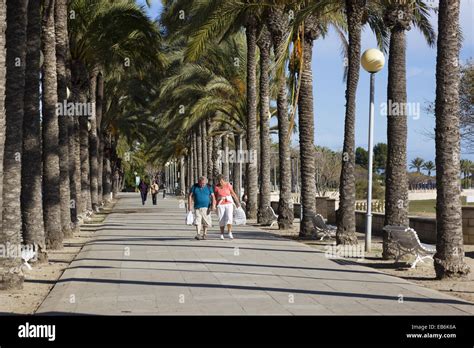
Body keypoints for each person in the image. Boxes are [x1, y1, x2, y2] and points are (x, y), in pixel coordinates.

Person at [188, 176, 216, 240]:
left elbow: (213, 196)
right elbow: (190, 195)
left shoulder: (209, 187)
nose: (202, 185)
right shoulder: (194, 186)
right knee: (198, 221)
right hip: (197, 207)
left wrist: (213, 205)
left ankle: (205, 234)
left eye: (204, 183)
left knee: (205, 221)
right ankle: (198, 234)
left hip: (206, 207)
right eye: (201, 183)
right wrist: (189, 205)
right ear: (199, 182)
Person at [214, 174, 240, 240]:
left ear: (223, 180)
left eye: (221, 181)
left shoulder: (228, 185)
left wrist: (237, 202)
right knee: (221, 219)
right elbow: (214, 197)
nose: (220, 183)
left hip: (229, 203)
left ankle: (229, 232)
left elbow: (233, 194)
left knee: (229, 218)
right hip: (220, 204)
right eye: (219, 181)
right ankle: (222, 234)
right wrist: (214, 205)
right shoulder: (216, 187)